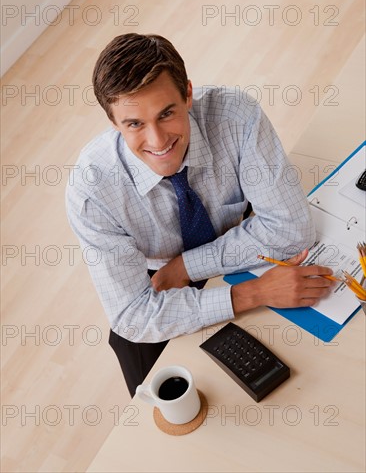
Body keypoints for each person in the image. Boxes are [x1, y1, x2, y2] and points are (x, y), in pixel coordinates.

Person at [66, 33, 334, 396]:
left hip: (235, 244)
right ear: (113, 122)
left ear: (188, 94)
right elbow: (133, 315)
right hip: (153, 280)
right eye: (134, 124)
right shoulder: (92, 190)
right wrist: (253, 294)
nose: (158, 140)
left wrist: (187, 266)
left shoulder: (236, 116)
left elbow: (292, 229)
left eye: (167, 113)